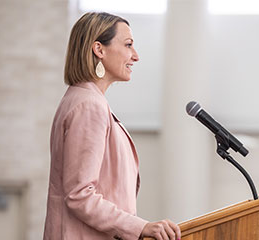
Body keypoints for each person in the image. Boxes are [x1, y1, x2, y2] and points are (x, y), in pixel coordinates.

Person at [43, 12, 181, 240]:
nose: (135, 56)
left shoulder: (82, 99)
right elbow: (80, 195)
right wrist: (141, 227)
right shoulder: (89, 105)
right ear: (99, 49)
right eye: (128, 45)